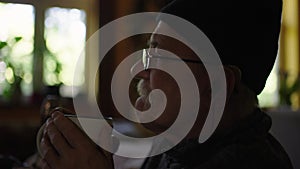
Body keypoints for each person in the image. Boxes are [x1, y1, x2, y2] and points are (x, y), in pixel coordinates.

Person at [39, 0, 294, 169]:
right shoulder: (176, 146)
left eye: (157, 55)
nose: (137, 72)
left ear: (216, 84)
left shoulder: (249, 163)